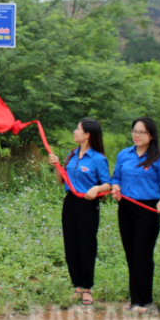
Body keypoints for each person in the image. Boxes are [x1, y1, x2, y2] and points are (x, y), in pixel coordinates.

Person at [110, 117, 160, 314]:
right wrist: (115, 187)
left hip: (147, 209)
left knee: (142, 254)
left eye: (142, 132)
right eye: (134, 131)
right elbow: (116, 177)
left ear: (151, 135)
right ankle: (135, 299)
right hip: (126, 208)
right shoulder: (124, 155)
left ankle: (144, 301)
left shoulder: (159, 157)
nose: (137, 135)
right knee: (131, 253)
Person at [48, 119, 111, 306]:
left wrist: (97, 189)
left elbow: (108, 183)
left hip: (88, 204)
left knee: (87, 245)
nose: (74, 132)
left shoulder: (98, 159)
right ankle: (76, 285)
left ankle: (87, 288)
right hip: (70, 203)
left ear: (88, 134)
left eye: (78, 129)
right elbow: (62, 181)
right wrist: (57, 166)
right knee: (71, 244)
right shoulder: (72, 154)